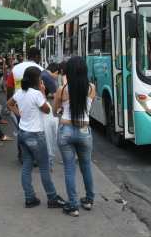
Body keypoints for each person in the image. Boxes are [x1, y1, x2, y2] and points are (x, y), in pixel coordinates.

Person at [7, 67, 66, 209]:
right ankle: (52, 197)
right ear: (36, 79)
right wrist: (42, 92)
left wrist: (20, 114)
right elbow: (47, 110)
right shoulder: (36, 94)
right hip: (36, 135)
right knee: (44, 168)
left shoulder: (20, 93)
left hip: (23, 133)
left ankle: (29, 197)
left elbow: (9, 104)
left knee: (27, 166)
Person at [54, 56, 96, 217]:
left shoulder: (62, 89)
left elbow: (54, 110)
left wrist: (60, 109)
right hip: (84, 131)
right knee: (86, 167)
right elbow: (88, 108)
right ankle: (89, 200)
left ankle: (73, 206)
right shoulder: (92, 88)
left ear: (68, 71)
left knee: (69, 169)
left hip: (66, 130)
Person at [41, 63, 61, 170]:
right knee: (50, 135)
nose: (57, 77)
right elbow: (56, 98)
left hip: (36, 107)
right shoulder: (49, 79)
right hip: (44, 109)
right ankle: (49, 161)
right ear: (56, 72)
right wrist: (57, 111)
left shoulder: (42, 74)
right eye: (58, 75)